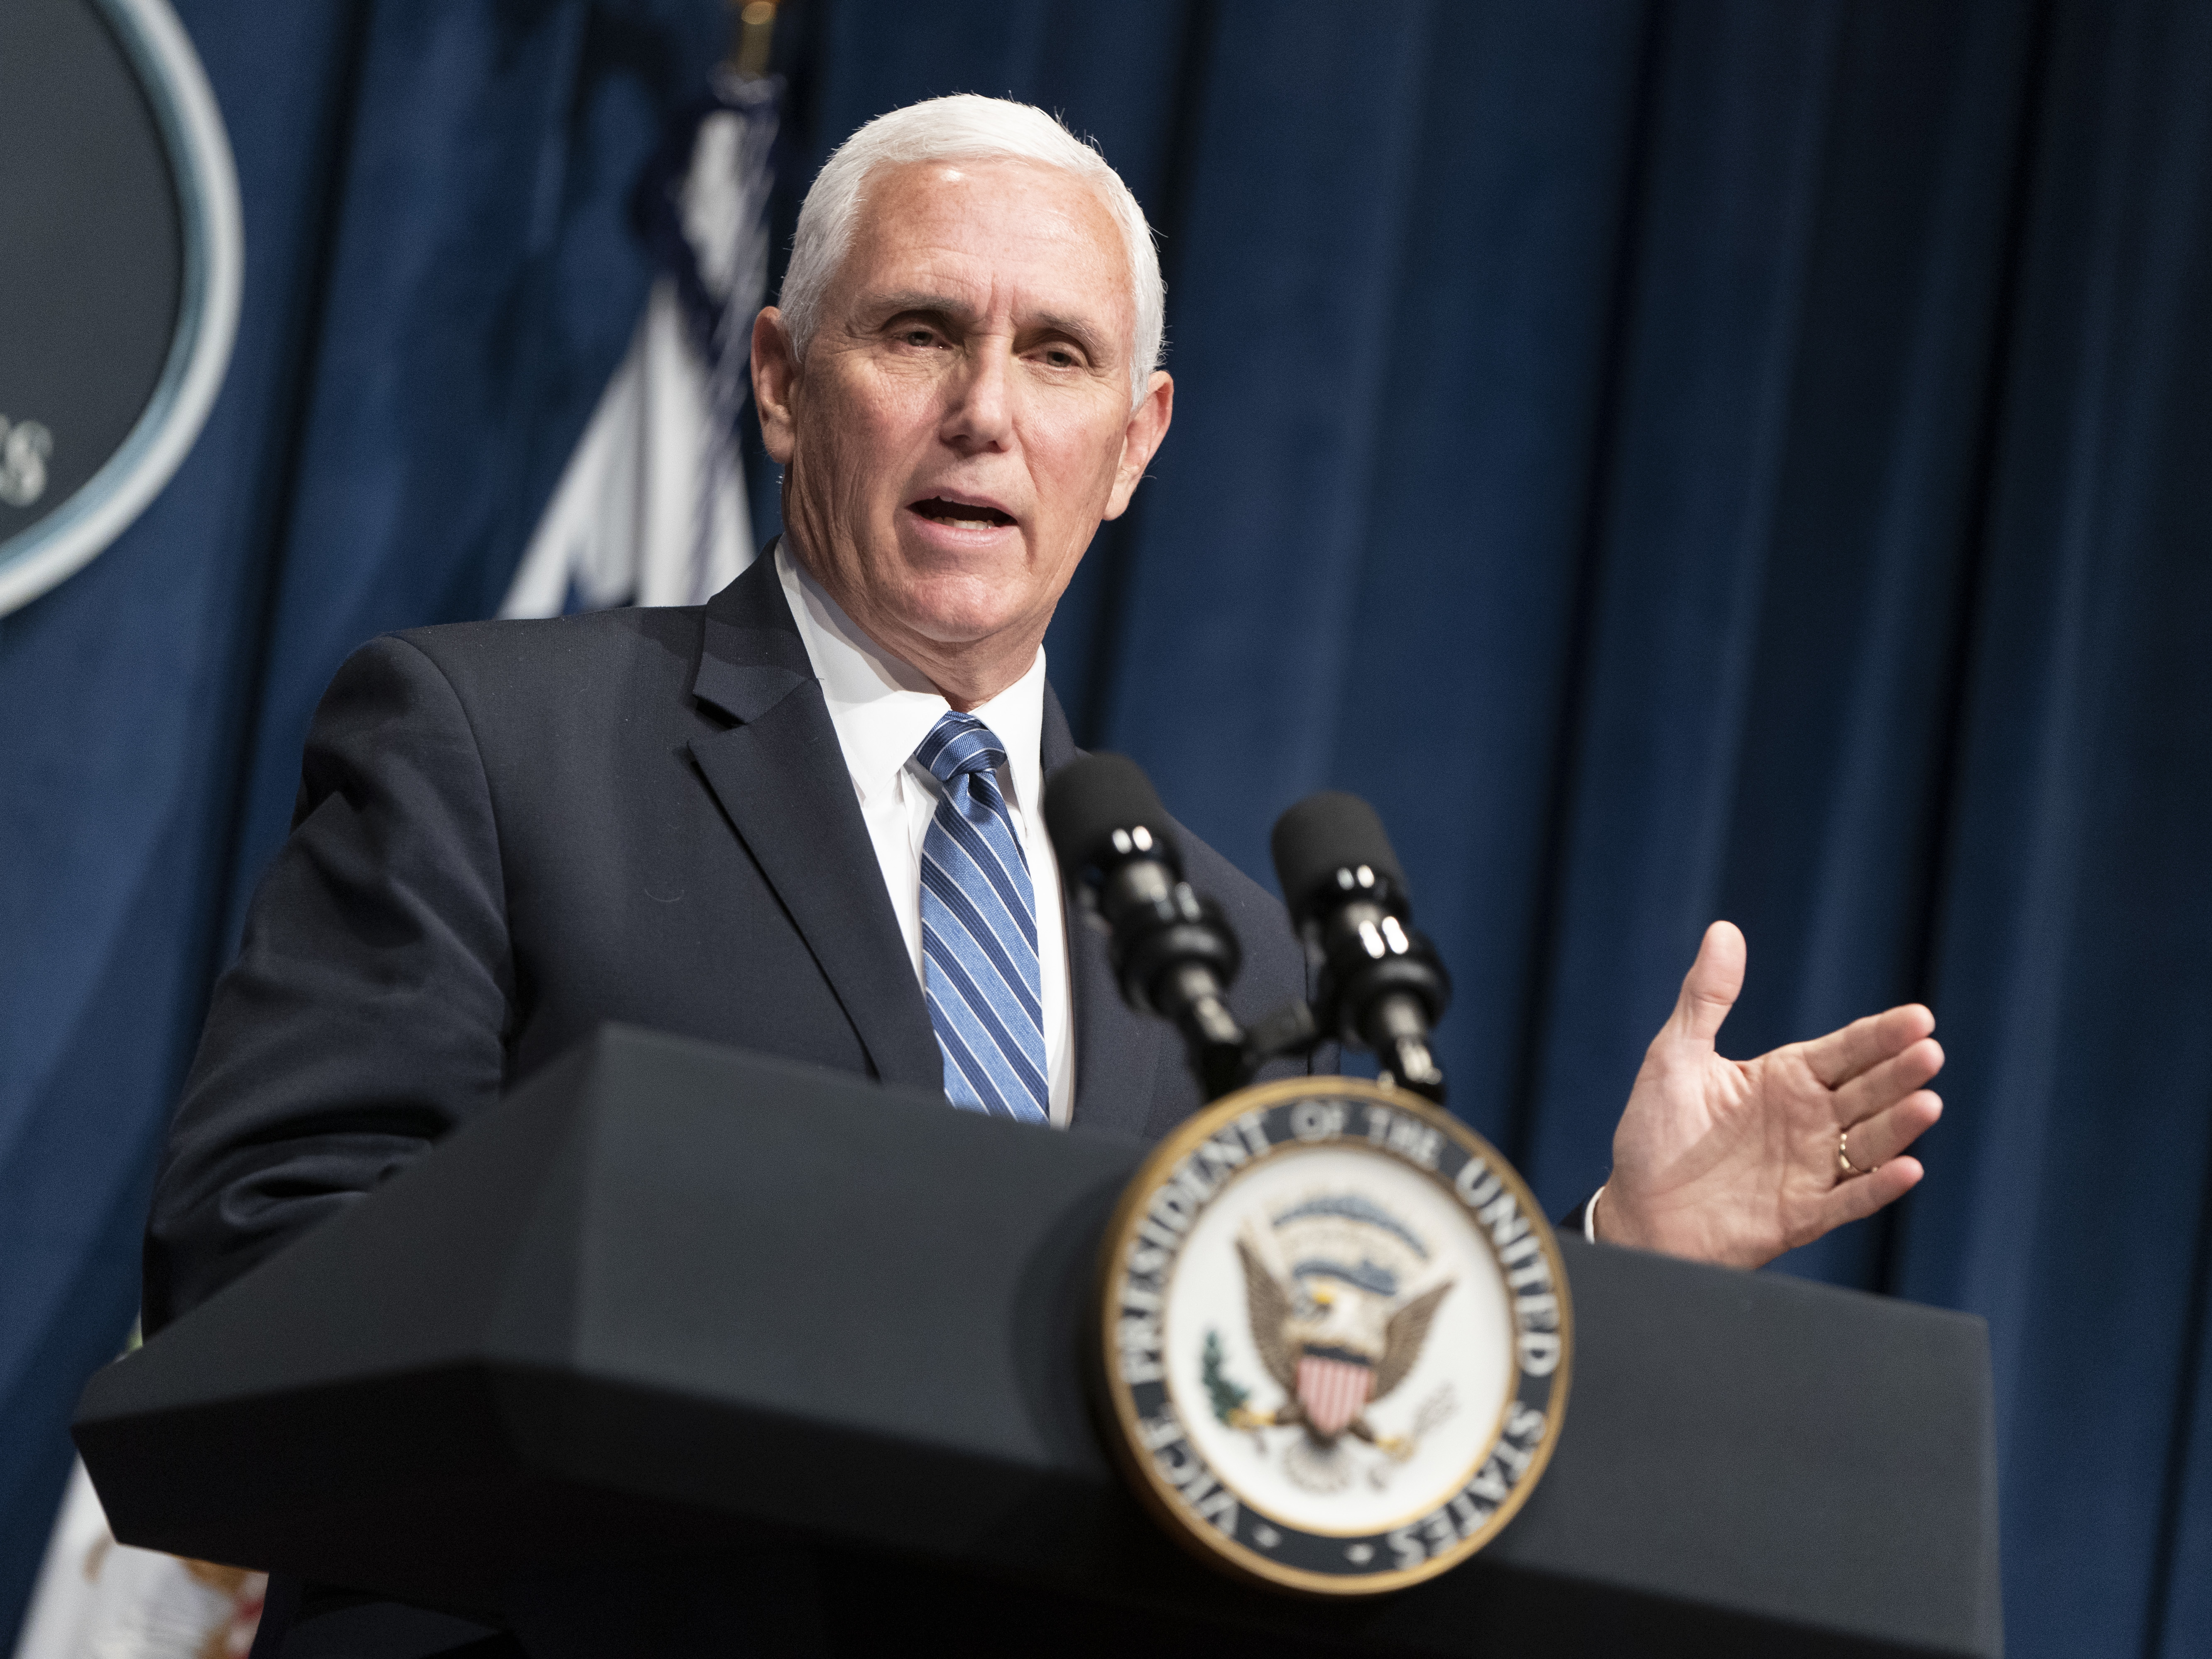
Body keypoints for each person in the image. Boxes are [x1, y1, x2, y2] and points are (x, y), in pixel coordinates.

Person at [146, 93, 1943, 1656]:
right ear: (780, 377)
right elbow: (263, 1259)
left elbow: (1292, 1438)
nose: (984, 412)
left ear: (1138, 442)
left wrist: (1620, 1259)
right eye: (920, 331)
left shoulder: (1232, 959)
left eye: (1058, 356)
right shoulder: (493, 739)